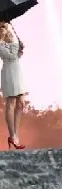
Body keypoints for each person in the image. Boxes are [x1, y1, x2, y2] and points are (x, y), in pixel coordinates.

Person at [0, 20, 27, 149]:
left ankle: (15, 134)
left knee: (21, 103)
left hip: (17, 71)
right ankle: (13, 135)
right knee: (10, 103)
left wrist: (20, 49)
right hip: (9, 72)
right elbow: (10, 56)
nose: (3, 29)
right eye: (1, 27)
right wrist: (16, 44)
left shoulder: (10, 40)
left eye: (4, 27)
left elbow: (16, 56)